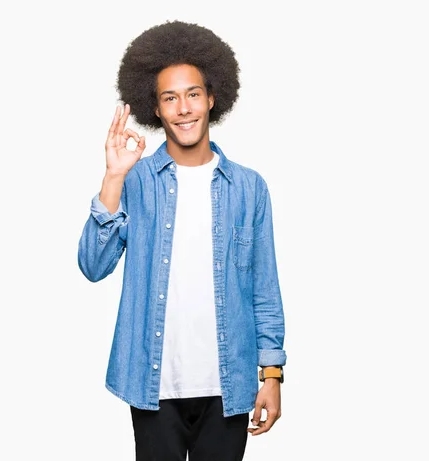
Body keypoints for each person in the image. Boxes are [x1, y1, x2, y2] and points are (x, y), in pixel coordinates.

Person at [77, 20, 286, 461]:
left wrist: (271, 374)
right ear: (156, 108)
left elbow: (264, 290)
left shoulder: (249, 188)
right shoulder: (134, 183)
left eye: (193, 94)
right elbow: (93, 266)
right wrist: (113, 177)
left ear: (212, 98)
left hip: (228, 386)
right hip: (152, 385)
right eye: (170, 97)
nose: (184, 108)